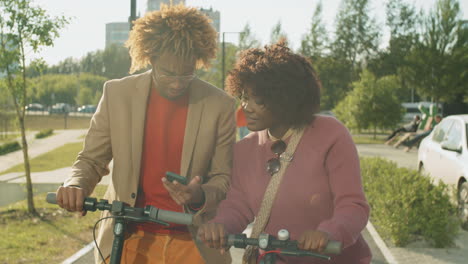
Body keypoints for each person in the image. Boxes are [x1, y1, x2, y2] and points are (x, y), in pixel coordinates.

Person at [55, 4, 235, 264]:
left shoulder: (220, 105)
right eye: (168, 73)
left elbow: (223, 178)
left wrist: (199, 195)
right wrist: (75, 185)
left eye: (187, 74)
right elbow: (91, 160)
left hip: (193, 243)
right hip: (127, 239)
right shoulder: (117, 95)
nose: (177, 83)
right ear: (150, 58)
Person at [197, 41, 372, 263]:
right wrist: (221, 225)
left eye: (257, 100)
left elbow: (353, 206)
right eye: (243, 96)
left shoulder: (331, 134)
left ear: (284, 97)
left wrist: (329, 233)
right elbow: (238, 205)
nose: (245, 107)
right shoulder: (243, 149)